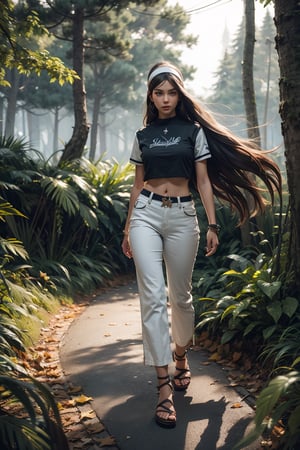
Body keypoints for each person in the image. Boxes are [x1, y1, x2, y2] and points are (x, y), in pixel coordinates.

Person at [121, 61, 281, 429]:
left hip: (182, 217)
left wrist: (212, 224)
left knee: (181, 298)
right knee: (152, 298)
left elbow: (204, 182)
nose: (164, 98)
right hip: (145, 214)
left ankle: (180, 354)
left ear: (180, 94)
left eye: (171, 91)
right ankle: (163, 389)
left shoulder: (193, 132)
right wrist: (129, 226)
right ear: (150, 95)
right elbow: (137, 183)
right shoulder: (142, 135)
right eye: (158, 92)